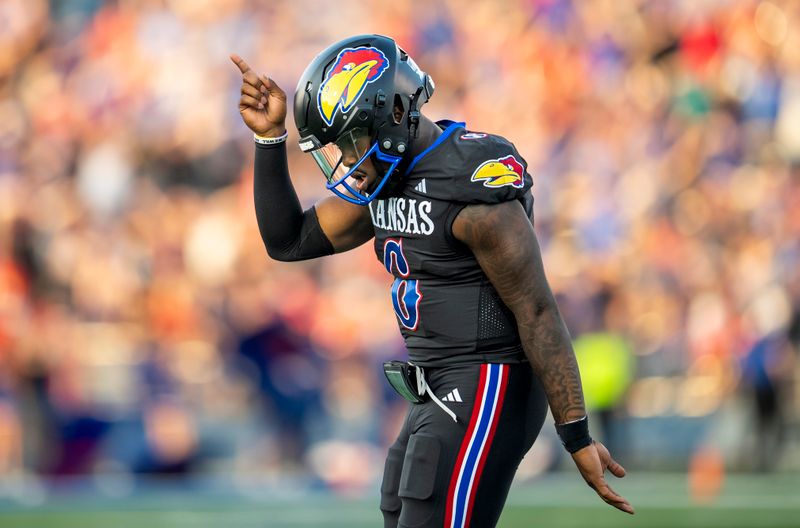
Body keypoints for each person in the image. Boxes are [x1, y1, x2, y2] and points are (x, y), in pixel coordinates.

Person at [231, 34, 634, 527]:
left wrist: (575, 433)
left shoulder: (469, 185)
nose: (349, 159)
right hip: (436, 386)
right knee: (399, 508)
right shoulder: (390, 179)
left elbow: (537, 310)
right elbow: (289, 241)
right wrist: (269, 139)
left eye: (355, 139)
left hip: (487, 380)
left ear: (394, 113)